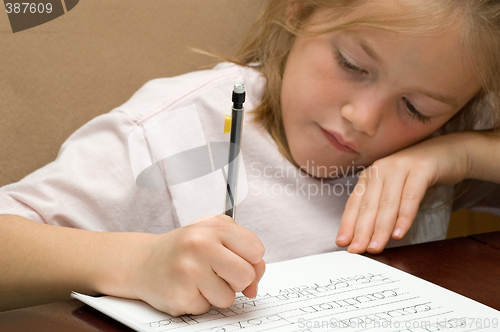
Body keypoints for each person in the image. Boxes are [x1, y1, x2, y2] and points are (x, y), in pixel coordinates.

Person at [1, 0, 499, 317]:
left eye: (416, 108)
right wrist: (138, 263)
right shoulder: (171, 132)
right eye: (352, 64)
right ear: (301, 10)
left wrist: (460, 153)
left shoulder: (436, 144)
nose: (363, 118)